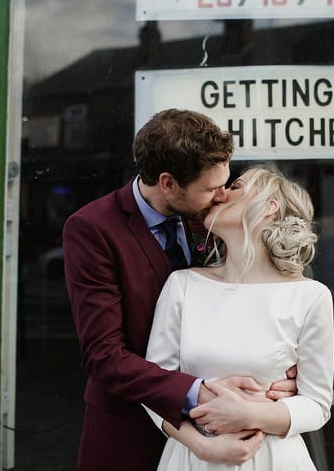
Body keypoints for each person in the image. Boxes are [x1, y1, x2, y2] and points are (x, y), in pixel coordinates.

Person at [63, 110, 297, 471]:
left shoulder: (215, 218)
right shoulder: (92, 229)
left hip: (227, 426)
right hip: (129, 429)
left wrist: (281, 363)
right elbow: (103, 354)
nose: (222, 196)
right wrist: (201, 394)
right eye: (210, 188)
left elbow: (256, 291)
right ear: (168, 183)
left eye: (226, 182)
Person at [144, 166, 334, 470]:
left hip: (273, 458)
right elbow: (153, 388)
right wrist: (202, 444)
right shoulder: (182, 285)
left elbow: (317, 404)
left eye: (236, 186)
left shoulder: (311, 296)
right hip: (193, 459)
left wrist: (249, 415)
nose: (220, 194)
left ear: (269, 207)